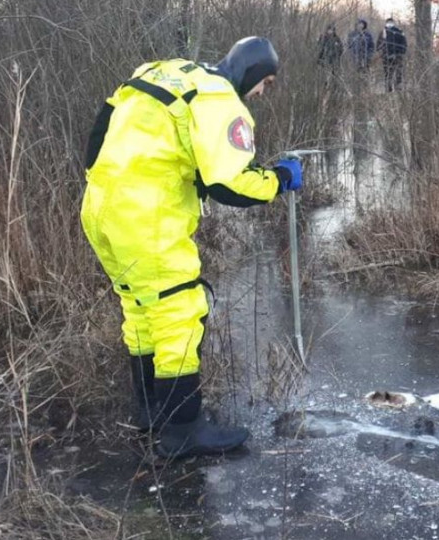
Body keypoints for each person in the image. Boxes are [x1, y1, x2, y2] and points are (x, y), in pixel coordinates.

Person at [80, 37, 304, 459]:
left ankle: (151, 411)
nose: (262, 94)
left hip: (101, 207)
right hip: (147, 218)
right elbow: (229, 184)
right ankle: (183, 428)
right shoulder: (222, 102)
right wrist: (278, 179)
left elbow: (101, 129)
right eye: (265, 83)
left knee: (142, 308)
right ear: (252, 72)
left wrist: (107, 180)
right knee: (179, 312)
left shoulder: (166, 70)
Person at [376, 18, 407, 92]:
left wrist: (401, 53)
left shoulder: (399, 31)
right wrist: (382, 53)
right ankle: (388, 88)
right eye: (388, 22)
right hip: (386, 56)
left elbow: (404, 43)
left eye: (391, 22)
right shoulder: (383, 32)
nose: (389, 24)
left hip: (397, 56)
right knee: (388, 73)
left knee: (398, 72)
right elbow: (378, 45)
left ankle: (398, 88)